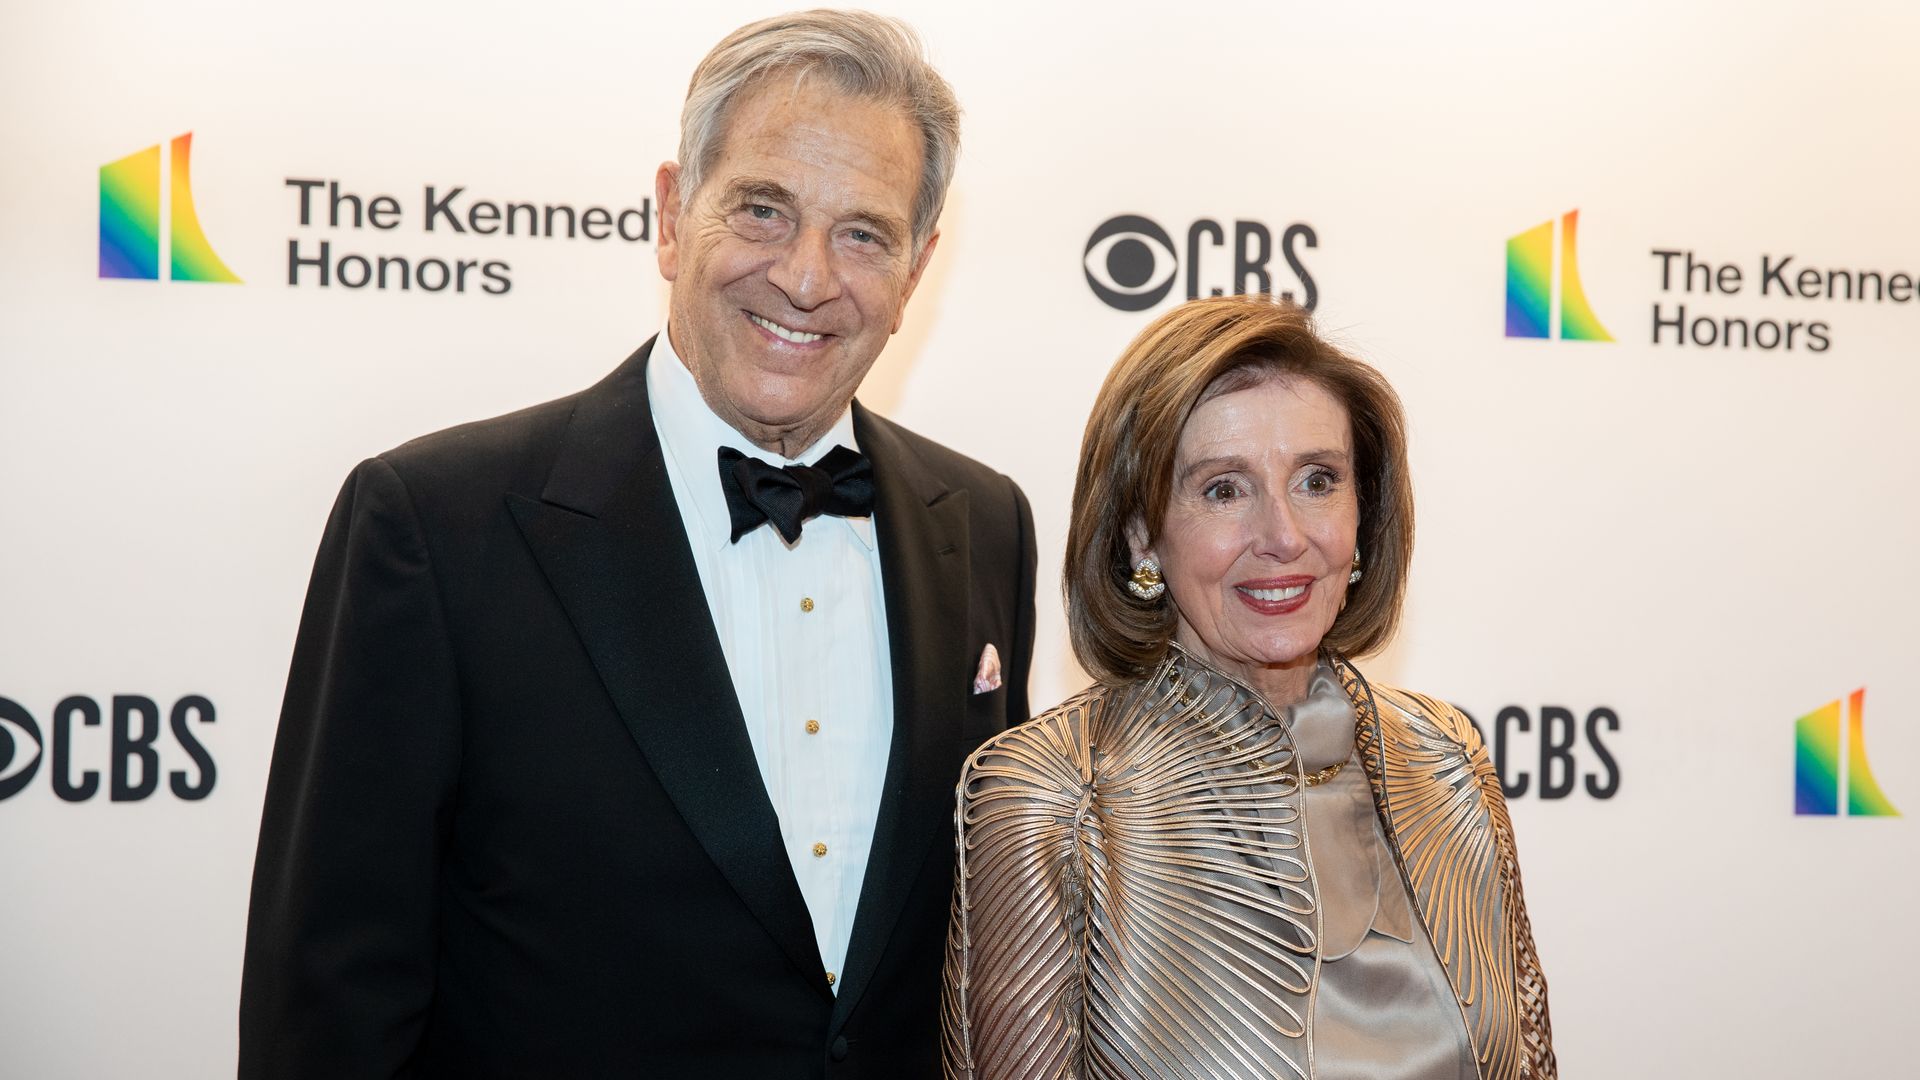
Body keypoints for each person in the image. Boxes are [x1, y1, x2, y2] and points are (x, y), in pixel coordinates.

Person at [240, 11, 1036, 1078]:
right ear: (672, 215)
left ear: (916, 267)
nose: (806, 277)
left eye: (863, 233)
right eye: (762, 210)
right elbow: (330, 1002)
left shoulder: (985, 525)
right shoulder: (434, 528)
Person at [941, 296, 1555, 1079]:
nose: (1284, 537)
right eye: (1224, 489)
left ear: (1364, 513)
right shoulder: (1053, 794)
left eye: (1317, 480)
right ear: (1140, 531)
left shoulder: (1447, 760)